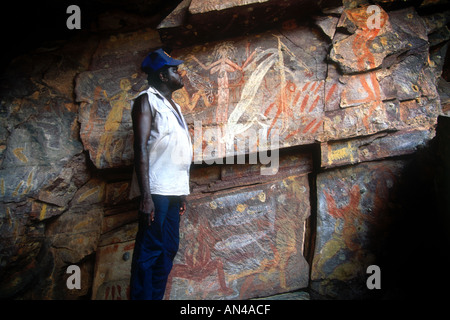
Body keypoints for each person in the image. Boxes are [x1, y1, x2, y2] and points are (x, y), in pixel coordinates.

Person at [128, 48, 192, 300]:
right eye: (174, 70)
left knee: (168, 249)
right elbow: (140, 147)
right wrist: (146, 196)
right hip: (155, 191)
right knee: (149, 251)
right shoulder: (147, 100)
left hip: (173, 190)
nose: (179, 73)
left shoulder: (172, 104)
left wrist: (182, 192)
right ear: (162, 77)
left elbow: (175, 151)